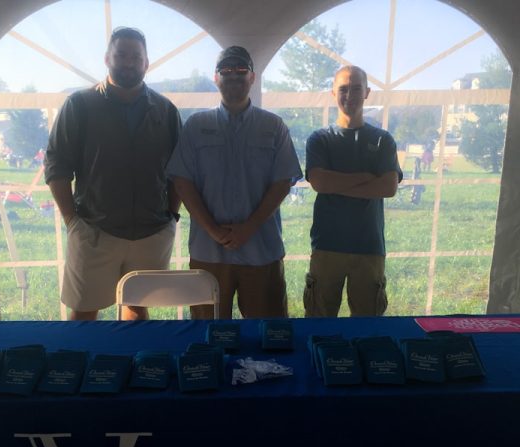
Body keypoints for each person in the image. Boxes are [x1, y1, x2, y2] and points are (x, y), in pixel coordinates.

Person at [44, 27, 181, 320]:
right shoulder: (79, 105)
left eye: (136, 57)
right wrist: (72, 221)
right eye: (121, 55)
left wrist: (171, 216)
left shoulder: (166, 111)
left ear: (147, 63)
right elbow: (57, 165)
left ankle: (134, 354)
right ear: (107, 58)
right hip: (94, 230)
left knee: (138, 307)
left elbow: (179, 170)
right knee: (84, 312)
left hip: (152, 232)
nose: (128, 62)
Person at [167, 46, 302, 319]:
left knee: (268, 333)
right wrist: (213, 230)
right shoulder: (195, 126)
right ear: (216, 78)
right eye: (226, 70)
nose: (233, 76)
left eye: (241, 70)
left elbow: (282, 183)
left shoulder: (274, 126)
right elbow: (183, 181)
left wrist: (249, 227)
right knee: (208, 333)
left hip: (262, 250)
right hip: (208, 253)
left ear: (253, 77)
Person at [304, 65, 402, 318]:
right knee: (319, 321)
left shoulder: (382, 140)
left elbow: (388, 187)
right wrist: (365, 178)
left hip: (369, 246)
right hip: (327, 245)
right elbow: (319, 182)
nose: (350, 95)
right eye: (343, 89)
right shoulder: (320, 139)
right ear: (333, 93)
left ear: (367, 92)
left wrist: (336, 183)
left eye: (356, 88)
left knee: (368, 325)